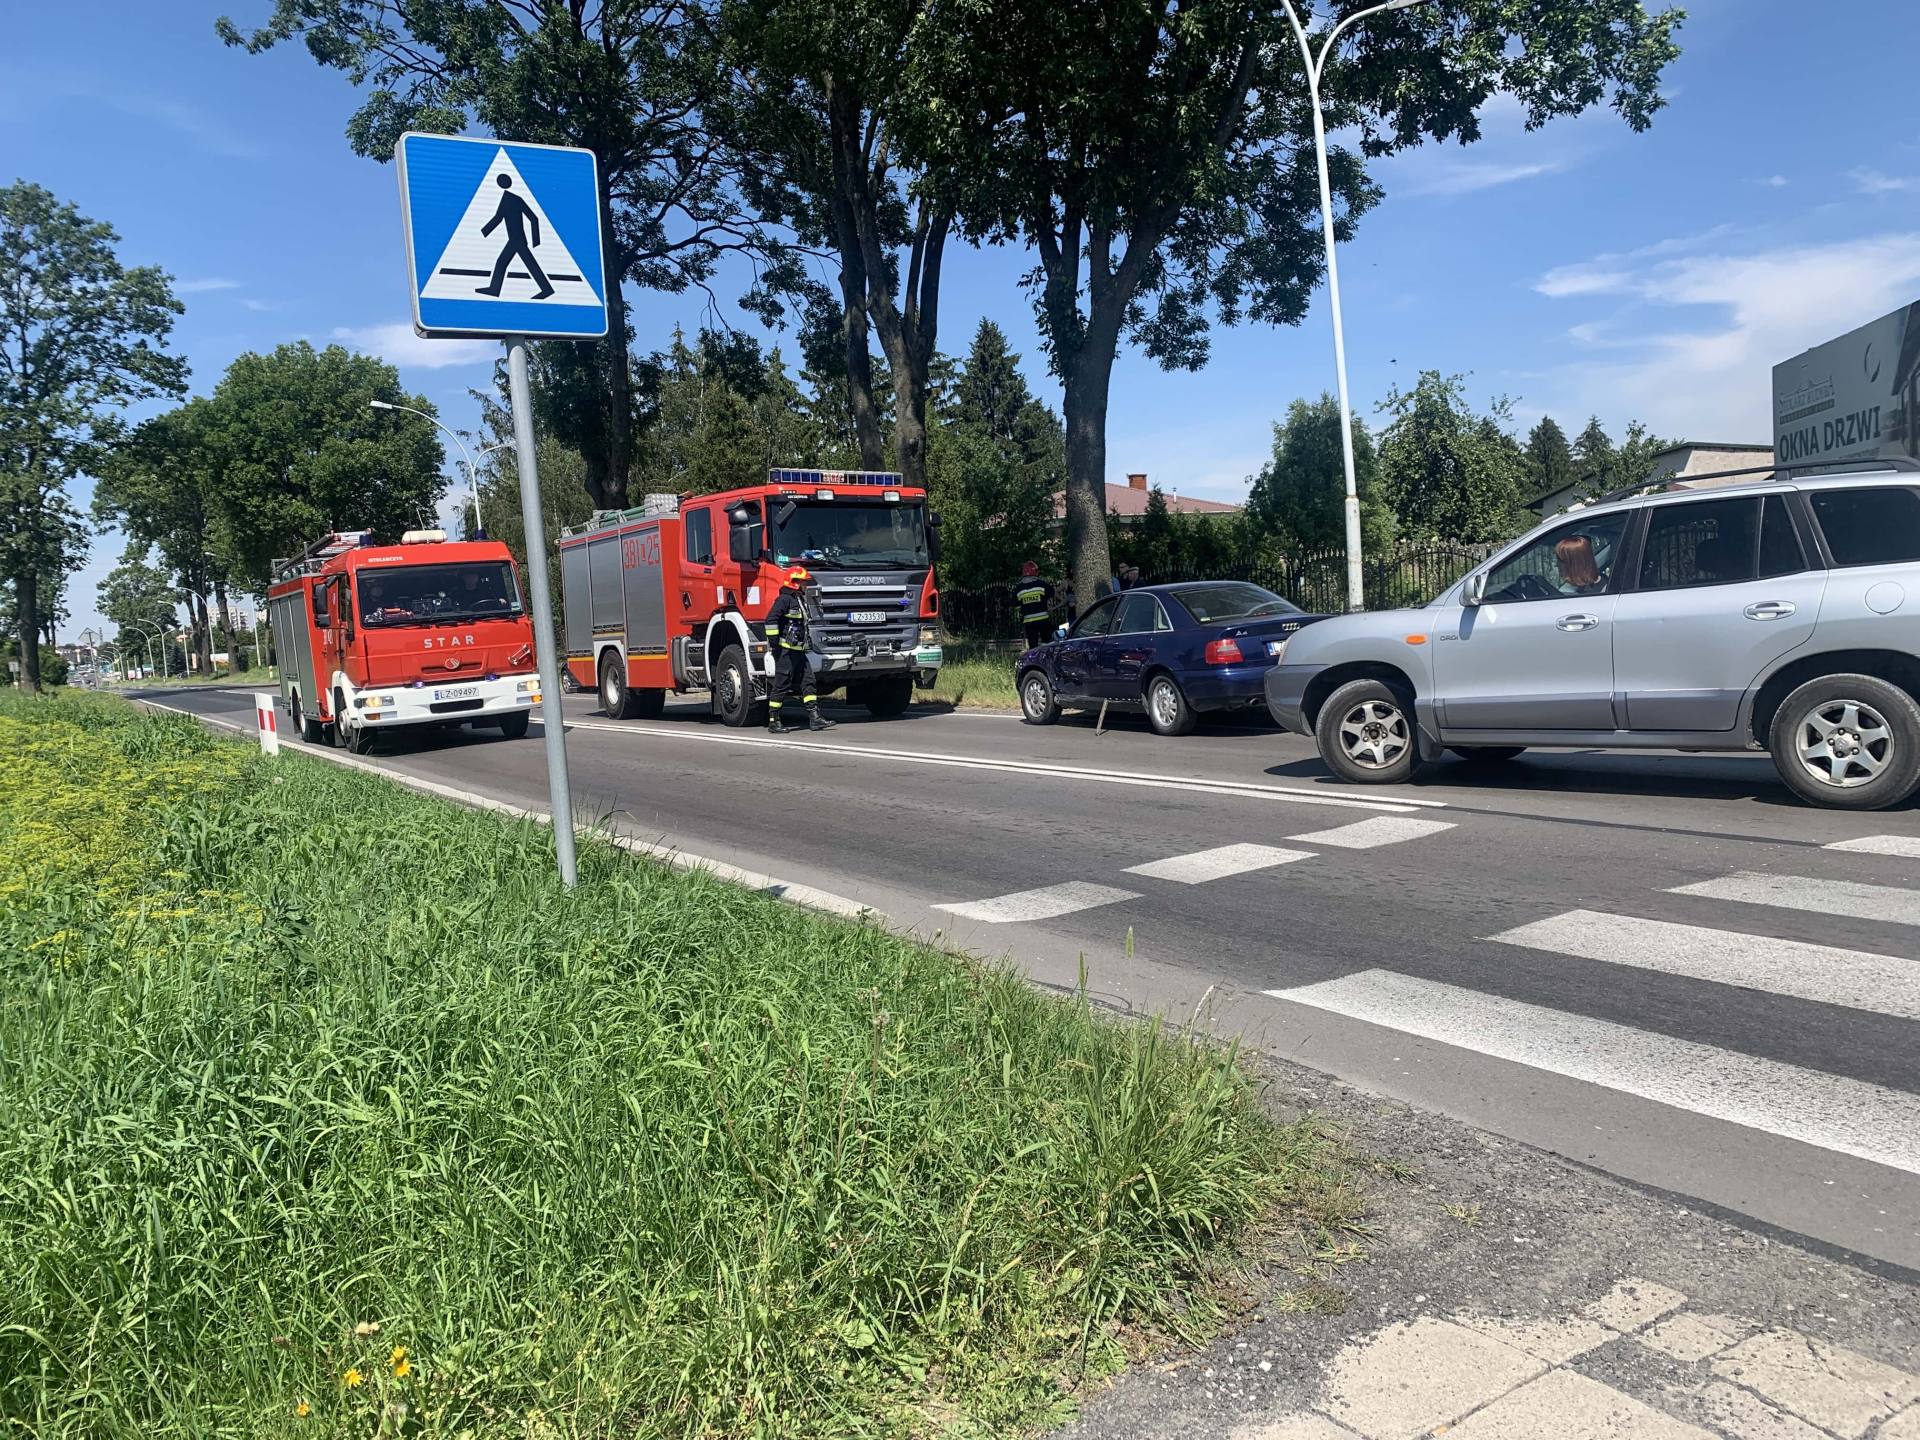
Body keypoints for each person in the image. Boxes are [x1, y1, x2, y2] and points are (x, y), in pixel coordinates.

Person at [763, 567, 835, 733]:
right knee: (781, 684)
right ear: (794, 582)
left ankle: (815, 718)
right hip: (785, 652)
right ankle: (774, 720)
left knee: (808, 681)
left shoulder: (799, 599)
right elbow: (771, 620)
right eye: (803, 582)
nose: (805, 585)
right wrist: (776, 645)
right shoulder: (784, 600)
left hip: (799, 651)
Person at [1014, 561, 1056, 648]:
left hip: (1029, 621)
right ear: (1035, 572)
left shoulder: (1019, 588)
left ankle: (1034, 660)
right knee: (1046, 643)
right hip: (1043, 619)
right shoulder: (1041, 584)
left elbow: (1014, 602)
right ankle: (1046, 659)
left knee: (1033, 645)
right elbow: (1052, 592)